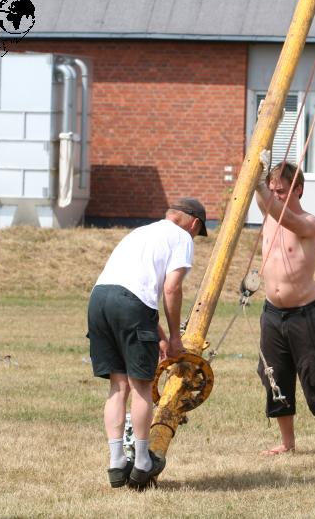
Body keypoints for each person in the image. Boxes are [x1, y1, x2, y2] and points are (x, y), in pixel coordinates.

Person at [87, 198, 207, 488]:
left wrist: (161, 338)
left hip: (98, 300)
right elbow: (171, 288)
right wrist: (176, 337)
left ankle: (117, 463)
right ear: (194, 223)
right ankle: (142, 462)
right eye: (197, 232)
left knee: (118, 386)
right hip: (130, 305)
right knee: (141, 386)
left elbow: (131, 288)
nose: (194, 237)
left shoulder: (140, 233)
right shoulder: (182, 237)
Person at [254, 152, 315, 460]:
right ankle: (287, 442)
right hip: (272, 313)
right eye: (273, 190)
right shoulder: (268, 212)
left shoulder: (309, 223)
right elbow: (261, 200)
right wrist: (258, 170)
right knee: (274, 375)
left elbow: (286, 217)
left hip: (304, 313)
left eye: (282, 190)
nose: (275, 195)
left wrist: (261, 186)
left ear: (298, 189)